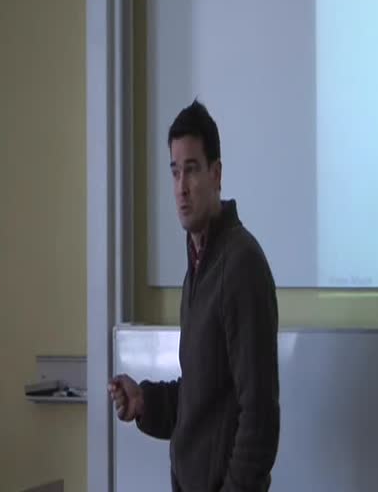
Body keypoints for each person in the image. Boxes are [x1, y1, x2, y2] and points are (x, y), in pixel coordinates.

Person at [108, 100, 280, 491]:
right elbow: (201, 396)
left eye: (192, 170)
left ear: (216, 174)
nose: (181, 188)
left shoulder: (241, 265)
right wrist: (145, 402)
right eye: (174, 172)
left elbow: (260, 415)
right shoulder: (198, 270)